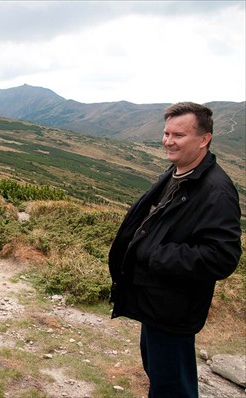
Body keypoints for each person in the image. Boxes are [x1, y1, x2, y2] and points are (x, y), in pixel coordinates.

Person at [108, 102, 242, 397]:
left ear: (204, 139)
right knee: (161, 379)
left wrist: (153, 254)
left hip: (174, 309)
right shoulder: (179, 172)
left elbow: (223, 257)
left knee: (173, 388)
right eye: (166, 133)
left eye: (178, 135)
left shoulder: (215, 191)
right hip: (156, 301)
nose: (168, 141)